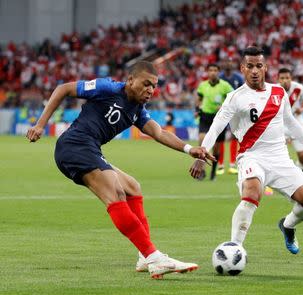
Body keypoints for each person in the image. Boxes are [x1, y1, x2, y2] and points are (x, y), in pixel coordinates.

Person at [26, 61, 215, 279]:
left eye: (153, 86)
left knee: (132, 187)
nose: (150, 90)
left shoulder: (138, 111)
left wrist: (190, 149)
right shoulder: (108, 88)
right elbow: (64, 89)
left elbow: (159, 133)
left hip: (90, 149)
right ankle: (153, 256)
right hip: (74, 146)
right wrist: (40, 124)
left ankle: (145, 257)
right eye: (146, 84)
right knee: (115, 193)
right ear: (130, 80)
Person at [190, 46, 303, 255]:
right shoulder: (235, 97)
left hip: (280, 159)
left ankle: (287, 226)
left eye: (258, 66)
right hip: (251, 157)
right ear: (242, 68)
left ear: (265, 68)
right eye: (249, 66)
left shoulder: (278, 92)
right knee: (252, 191)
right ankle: (235, 248)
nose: (254, 70)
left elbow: (291, 122)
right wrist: (201, 153)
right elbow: (216, 127)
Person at [196, 63, 234, 180]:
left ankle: (213, 172)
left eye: (215, 70)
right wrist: (197, 109)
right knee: (202, 143)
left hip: (219, 118)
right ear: (207, 72)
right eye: (210, 70)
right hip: (205, 116)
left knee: (216, 148)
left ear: (218, 72)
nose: (213, 72)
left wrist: (223, 106)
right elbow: (199, 99)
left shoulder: (225, 85)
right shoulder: (202, 85)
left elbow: (232, 98)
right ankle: (201, 170)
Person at [278, 68, 303, 170]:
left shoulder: (299, 88)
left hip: (297, 122)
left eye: (287, 78)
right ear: (278, 79)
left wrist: (302, 109)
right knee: (276, 155)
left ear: (291, 78)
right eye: (282, 78)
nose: (285, 80)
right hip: (280, 124)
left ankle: (300, 170)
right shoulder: (274, 90)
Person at [217, 59, 245, 175]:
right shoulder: (220, 78)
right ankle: (220, 165)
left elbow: (243, 92)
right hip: (223, 111)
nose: (228, 63)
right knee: (221, 137)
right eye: (226, 62)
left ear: (233, 65)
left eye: (230, 62)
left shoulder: (238, 78)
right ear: (223, 65)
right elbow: (217, 93)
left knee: (235, 136)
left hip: (236, 111)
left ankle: (233, 164)